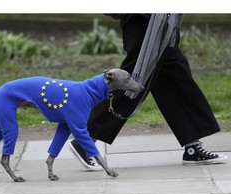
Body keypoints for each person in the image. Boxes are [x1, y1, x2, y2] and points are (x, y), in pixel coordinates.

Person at [68, 14, 228, 170]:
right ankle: (85, 140)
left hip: (160, 22)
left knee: (175, 77)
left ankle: (192, 147)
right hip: (144, 24)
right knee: (132, 82)